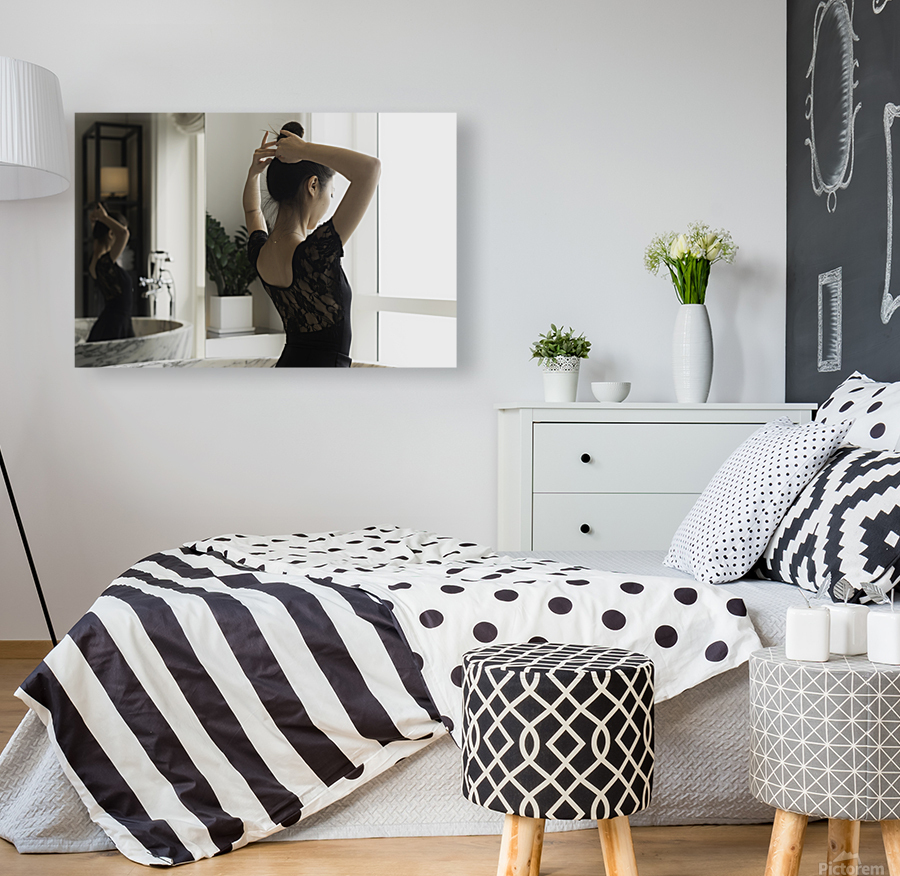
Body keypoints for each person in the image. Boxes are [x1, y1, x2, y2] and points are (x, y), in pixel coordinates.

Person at [242, 121, 381, 367]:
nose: (330, 201)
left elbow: (253, 210)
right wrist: (304, 150)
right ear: (313, 185)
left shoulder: (261, 253)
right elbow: (371, 169)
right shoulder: (315, 254)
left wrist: (254, 173)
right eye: (331, 193)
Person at [86, 203, 134, 342]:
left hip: (109, 324)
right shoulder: (105, 264)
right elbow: (124, 233)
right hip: (116, 327)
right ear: (111, 233)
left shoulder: (95, 263)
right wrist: (103, 217)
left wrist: (96, 222)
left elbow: (98, 241)